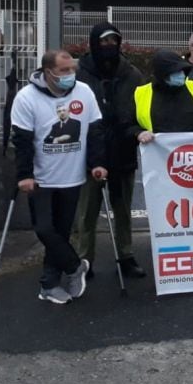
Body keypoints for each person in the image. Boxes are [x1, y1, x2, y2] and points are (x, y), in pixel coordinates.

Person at [11, 50, 106, 304]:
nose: (70, 75)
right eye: (64, 71)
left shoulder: (84, 92)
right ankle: (76, 267)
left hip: (72, 176)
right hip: (41, 178)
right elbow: (22, 140)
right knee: (44, 229)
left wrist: (97, 163)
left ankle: (49, 285)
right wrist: (24, 175)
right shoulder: (27, 98)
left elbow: (95, 130)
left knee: (61, 233)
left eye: (72, 69)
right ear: (47, 72)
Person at [73, 23, 147, 279]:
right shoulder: (79, 73)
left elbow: (141, 107)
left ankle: (126, 255)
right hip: (89, 151)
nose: (109, 46)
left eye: (113, 41)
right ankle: (85, 260)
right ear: (94, 43)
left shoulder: (132, 73)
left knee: (123, 208)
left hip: (123, 148)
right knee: (87, 210)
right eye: (104, 42)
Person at [126, 51, 193, 144]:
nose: (181, 74)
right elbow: (127, 125)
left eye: (182, 70)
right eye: (175, 72)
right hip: (157, 156)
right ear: (162, 75)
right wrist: (139, 133)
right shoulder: (141, 94)